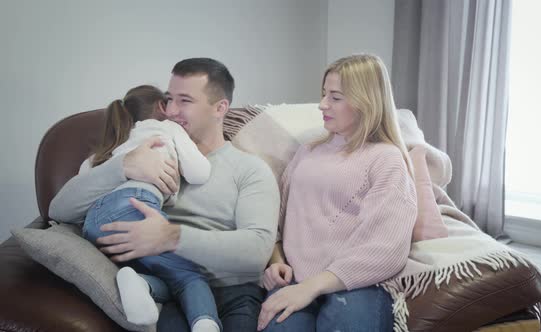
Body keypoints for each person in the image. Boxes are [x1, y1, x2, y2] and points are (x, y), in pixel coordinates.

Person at [49, 58, 280, 332]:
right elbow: (58, 211)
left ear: (220, 108)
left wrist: (172, 237)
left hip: (231, 293)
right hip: (163, 292)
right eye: (169, 99)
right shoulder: (141, 150)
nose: (170, 111)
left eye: (185, 101)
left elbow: (255, 253)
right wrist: (123, 166)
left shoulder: (249, 169)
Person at [256, 54, 418, 332]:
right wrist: (276, 261)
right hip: (293, 280)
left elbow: (387, 248)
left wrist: (313, 287)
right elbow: (277, 222)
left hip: (357, 284)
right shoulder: (307, 151)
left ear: (366, 102)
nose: (322, 105)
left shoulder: (386, 159)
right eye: (323, 94)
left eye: (335, 97)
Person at [80, 84, 221, 331]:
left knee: (167, 275)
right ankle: (206, 324)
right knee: (191, 276)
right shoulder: (167, 128)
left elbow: (82, 181)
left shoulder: (111, 145)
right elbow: (199, 173)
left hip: (93, 223)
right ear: (161, 106)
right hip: (135, 206)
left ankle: (139, 282)